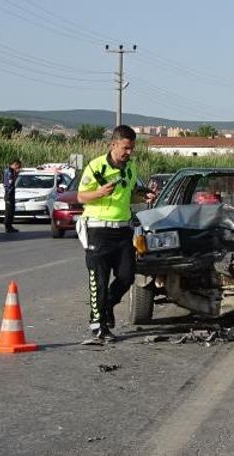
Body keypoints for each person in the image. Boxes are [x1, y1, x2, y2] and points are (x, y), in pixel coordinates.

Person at [77, 125, 139, 344]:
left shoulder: (130, 169)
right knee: (99, 280)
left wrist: (145, 196)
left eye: (132, 148)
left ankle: (109, 305)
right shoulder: (96, 167)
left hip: (122, 230)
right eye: (126, 148)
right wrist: (99, 192)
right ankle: (99, 326)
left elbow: (128, 195)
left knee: (127, 276)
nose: (129, 152)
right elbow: (81, 197)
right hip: (98, 230)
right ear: (114, 144)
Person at [2, 158, 21, 233]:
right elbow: (10, 184)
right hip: (9, 193)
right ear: (15, 164)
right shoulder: (10, 172)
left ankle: (9, 225)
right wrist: (9, 195)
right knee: (9, 211)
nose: (18, 168)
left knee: (11, 210)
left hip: (10, 193)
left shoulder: (10, 171)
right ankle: (8, 226)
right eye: (18, 167)